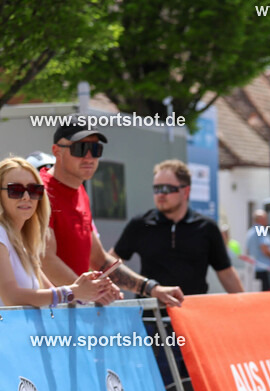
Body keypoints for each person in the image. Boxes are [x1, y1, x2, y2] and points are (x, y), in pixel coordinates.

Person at [39, 118, 183, 306]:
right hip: (49, 317)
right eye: (80, 149)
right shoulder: (39, 191)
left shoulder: (80, 191)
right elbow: (44, 258)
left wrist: (151, 288)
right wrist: (89, 292)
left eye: (96, 149)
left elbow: (98, 259)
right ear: (56, 151)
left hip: (73, 313)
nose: (89, 157)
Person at [113, 160, 243, 296]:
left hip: (191, 313)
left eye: (167, 189)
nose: (160, 195)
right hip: (150, 315)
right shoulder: (140, 224)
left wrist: (246, 307)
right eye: (156, 189)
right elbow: (111, 263)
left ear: (186, 191)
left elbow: (226, 273)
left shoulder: (207, 227)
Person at [0, 157, 115, 307]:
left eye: (34, 190)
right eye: (16, 190)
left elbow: (52, 294)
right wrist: (74, 291)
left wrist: (88, 290)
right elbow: (12, 297)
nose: (27, 197)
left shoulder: (23, 244)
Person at [245, 209, 270, 291]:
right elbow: (265, 249)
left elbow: (247, 251)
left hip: (253, 269)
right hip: (264, 269)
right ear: (261, 219)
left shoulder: (250, 232)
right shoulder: (261, 230)